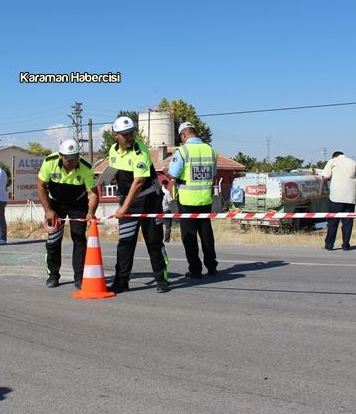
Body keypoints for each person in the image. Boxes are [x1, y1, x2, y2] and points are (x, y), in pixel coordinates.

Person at [107, 116, 170, 293]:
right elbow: (116, 172)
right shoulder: (113, 150)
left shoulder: (139, 151)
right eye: (125, 134)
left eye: (131, 133)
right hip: (128, 201)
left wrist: (124, 207)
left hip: (148, 200)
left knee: (154, 242)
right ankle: (121, 281)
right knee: (125, 242)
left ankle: (161, 278)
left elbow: (139, 182)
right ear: (116, 135)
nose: (129, 137)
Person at [37, 139, 99, 289]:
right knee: (53, 241)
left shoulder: (85, 167)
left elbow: (93, 193)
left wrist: (91, 212)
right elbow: (40, 185)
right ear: (60, 156)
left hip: (77, 204)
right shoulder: (49, 162)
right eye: (68, 159)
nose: (72, 163)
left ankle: (79, 277)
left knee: (79, 238)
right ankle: (53, 275)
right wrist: (48, 210)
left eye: (75, 158)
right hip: (55, 204)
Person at [168, 122, 219, 278]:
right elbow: (214, 173)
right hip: (205, 199)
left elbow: (173, 174)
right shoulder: (211, 150)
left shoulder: (183, 151)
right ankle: (212, 267)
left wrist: (167, 171)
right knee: (206, 233)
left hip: (187, 199)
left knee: (189, 236)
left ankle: (195, 270)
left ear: (183, 135)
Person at [321, 151, 356, 251]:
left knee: (333, 222)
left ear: (334, 156)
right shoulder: (353, 162)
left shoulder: (333, 161)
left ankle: (329, 245)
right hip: (350, 198)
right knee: (347, 222)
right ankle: (346, 245)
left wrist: (326, 189)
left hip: (336, 197)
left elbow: (325, 177)